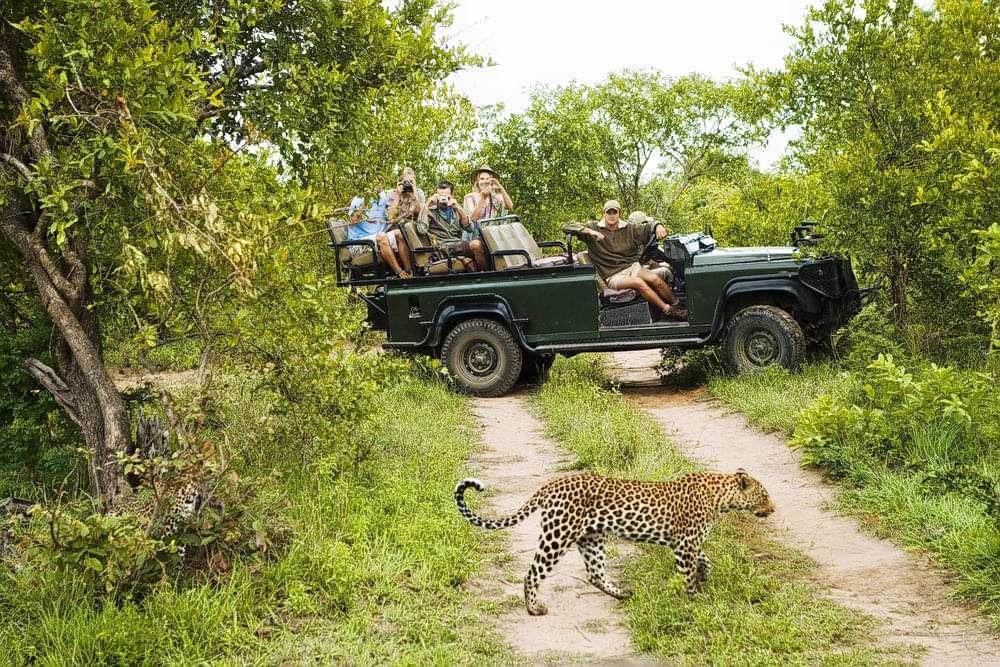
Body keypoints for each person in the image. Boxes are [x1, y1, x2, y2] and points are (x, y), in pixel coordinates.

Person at [563, 200, 688, 320]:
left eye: (614, 212)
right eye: (609, 212)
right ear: (604, 213)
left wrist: (658, 226)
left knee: (655, 279)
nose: (612, 215)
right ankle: (669, 311)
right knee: (639, 283)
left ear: (619, 213)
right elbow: (567, 226)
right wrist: (589, 232)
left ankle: (678, 304)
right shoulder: (594, 227)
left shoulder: (629, 229)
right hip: (613, 276)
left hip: (631, 267)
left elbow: (647, 227)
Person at [418, 179, 489, 271]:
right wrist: (427, 205)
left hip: (458, 244)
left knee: (486, 242)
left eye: (446, 196)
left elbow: (470, 228)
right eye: (440, 196)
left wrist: (458, 209)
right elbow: (421, 230)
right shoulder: (428, 209)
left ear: (452, 195)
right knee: (475, 244)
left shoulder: (455, 208)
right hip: (443, 247)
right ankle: (487, 276)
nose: (443, 200)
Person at [346, 186, 413, 278]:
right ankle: (400, 273)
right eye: (374, 182)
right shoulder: (358, 199)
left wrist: (399, 194)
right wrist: (366, 202)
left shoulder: (382, 197)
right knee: (382, 236)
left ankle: (409, 271)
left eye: (379, 181)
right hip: (359, 243)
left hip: (379, 240)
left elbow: (391, 216)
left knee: (399, 233)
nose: (377, 185)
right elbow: (352, 222)